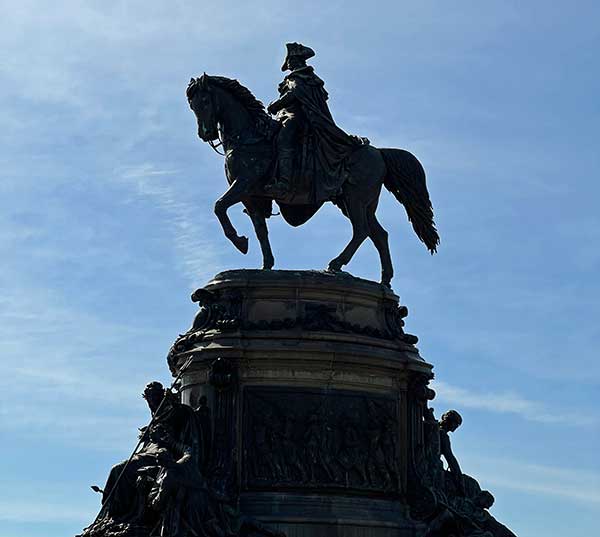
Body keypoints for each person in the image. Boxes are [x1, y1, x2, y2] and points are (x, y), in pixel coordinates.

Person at [265, 43, 363, 200]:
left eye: (289, 61)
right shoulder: (299, 77)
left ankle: (284, 182)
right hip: (285, 115)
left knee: (285, 138)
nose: (288, 65)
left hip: (299, 117)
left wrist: (276, 105)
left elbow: (296, 94)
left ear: (296, 60)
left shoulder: (301, 77)